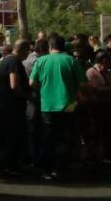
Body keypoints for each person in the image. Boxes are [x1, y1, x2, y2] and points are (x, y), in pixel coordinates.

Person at [29, 35, 88, 180]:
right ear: (64, 47)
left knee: (49, 138)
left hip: (47, 106)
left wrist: (42, 90)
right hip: (68, 105)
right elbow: (83, 85)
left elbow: (31, 83)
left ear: (49, 47)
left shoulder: (41, 61)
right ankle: (61, 168)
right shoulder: (71, 61)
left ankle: (47, 170)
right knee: (66, 137)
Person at [0, 39, 32, 175]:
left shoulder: (6, 60)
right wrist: (28, 97)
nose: (28, 54)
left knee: (7, 137)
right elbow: (14, 85)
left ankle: (7, 164)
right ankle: (10, 166)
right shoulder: (14, 62)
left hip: (4, 106)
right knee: (13, 137)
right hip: (11, 107)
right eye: (28, 50)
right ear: (23, 49)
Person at [86, 50, 111, 164]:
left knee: (109, 132)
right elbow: (96, 89)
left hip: (109, 106)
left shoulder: (108, 71)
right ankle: (93, 155)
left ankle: (108, 155)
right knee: (95, 131)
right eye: (109, 60)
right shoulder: (91, 72)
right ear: (103, 60)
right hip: (97, 106)